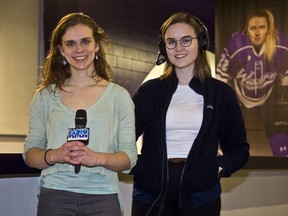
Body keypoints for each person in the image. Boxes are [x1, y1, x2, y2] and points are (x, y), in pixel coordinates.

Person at [130, 12, 250, 216]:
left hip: (201, 196)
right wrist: (140, 168)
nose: (178, 48)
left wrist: (216, 169)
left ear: (201, 42)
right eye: (171, 42)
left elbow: (239, 150)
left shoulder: (221, 94)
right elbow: (123, 139)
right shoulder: (149, 91)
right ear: (163, 47)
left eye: (186, 40)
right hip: (151, 195)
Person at [22, 12, 137, 216]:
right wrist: (56, 154)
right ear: (61, 50)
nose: (79, 50)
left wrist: (97, 158)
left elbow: (129, 156)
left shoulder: (119, 96)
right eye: (70, 44)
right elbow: (31, 154)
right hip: (55, 195)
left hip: (103, 196)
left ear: (97, 45)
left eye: (85, 41)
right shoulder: (45, 97)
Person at [216, 9, 288, 156]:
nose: (257, 33)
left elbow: (285, 78)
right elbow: (220, 77)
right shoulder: (236, 43)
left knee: (283, 148)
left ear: (268, 28)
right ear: (246, 29)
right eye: (253, 28)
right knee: (224, 145)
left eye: (262, 27)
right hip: (239, 97)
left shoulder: (281, 44)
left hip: (268, 98)